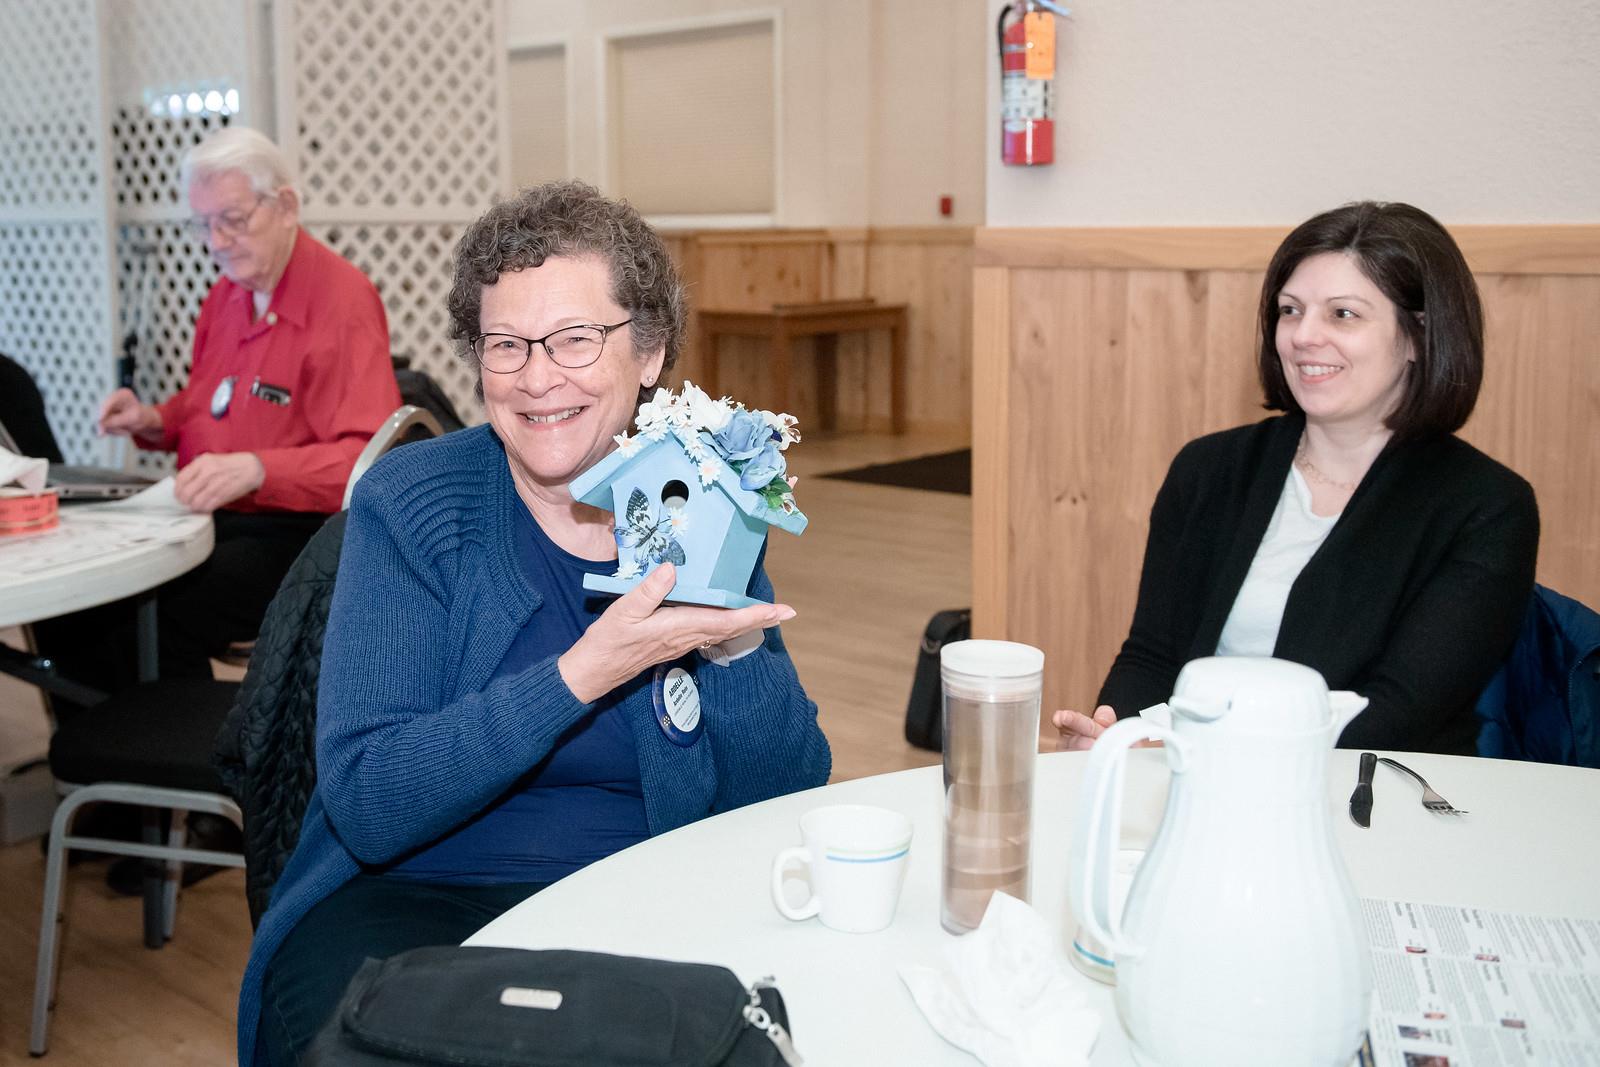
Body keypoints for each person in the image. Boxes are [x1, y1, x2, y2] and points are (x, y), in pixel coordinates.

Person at [239, 181, 831, 1065]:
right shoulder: (414, 503)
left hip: (638, 894)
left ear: (649, 352)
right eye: (506, 344)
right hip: (412, 900)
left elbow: (783, 796)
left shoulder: (693, 498)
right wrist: (582, 673)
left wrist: (737, 648)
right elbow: (368, 801)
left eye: (576, 338)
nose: (537, 376)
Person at [1053, 201, 1538, 756]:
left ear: (1417, 336)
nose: (1303, 335)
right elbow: (1153, 655)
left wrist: (1193, 754)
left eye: (1343, 314)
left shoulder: (1487, 506)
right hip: (1190, 775)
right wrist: (1116, 738)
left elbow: (1400, 713)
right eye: (1290, 310)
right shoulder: (1210, 469)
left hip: (1371, 790)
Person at [33, 126, 400, 702]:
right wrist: (152, 420)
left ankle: (179, 747)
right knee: (76, 603)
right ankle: (98, 747)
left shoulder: (342, 300)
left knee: (156, 613)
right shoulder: (226, 295)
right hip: (214, 511)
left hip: (301, 529)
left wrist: (258, 469)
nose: (217, 241)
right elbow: (208, 403)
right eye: (203, 225)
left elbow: (366, 462)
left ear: (285, 206)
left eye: (232, 219)